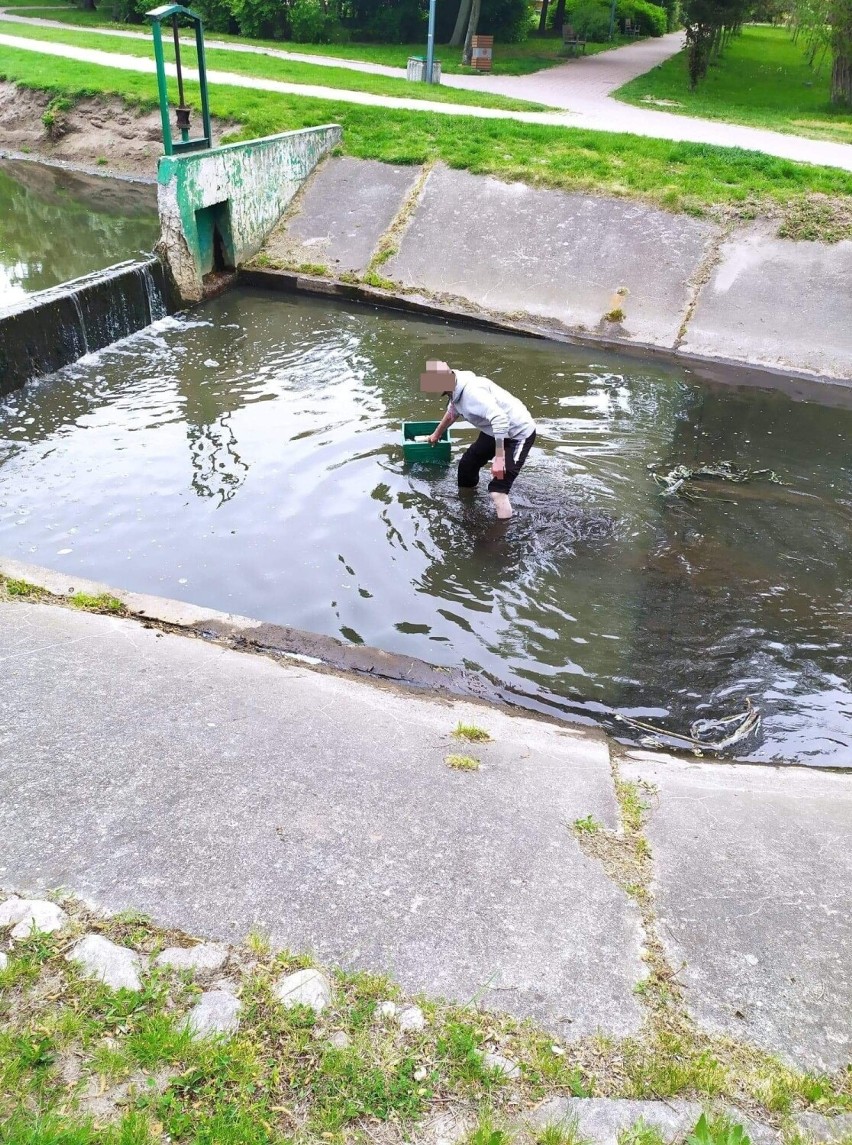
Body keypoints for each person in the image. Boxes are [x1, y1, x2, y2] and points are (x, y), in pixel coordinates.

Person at [419, 360, 536, 520]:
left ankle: (500, 536)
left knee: (497, 490)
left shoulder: (473, 393)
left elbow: (500, 419)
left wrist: (499, 458)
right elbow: (453, 410)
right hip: (495, 430)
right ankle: (469, 508)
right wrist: (436, 434)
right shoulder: (454, 388)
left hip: (517, 433)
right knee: (467, 465)